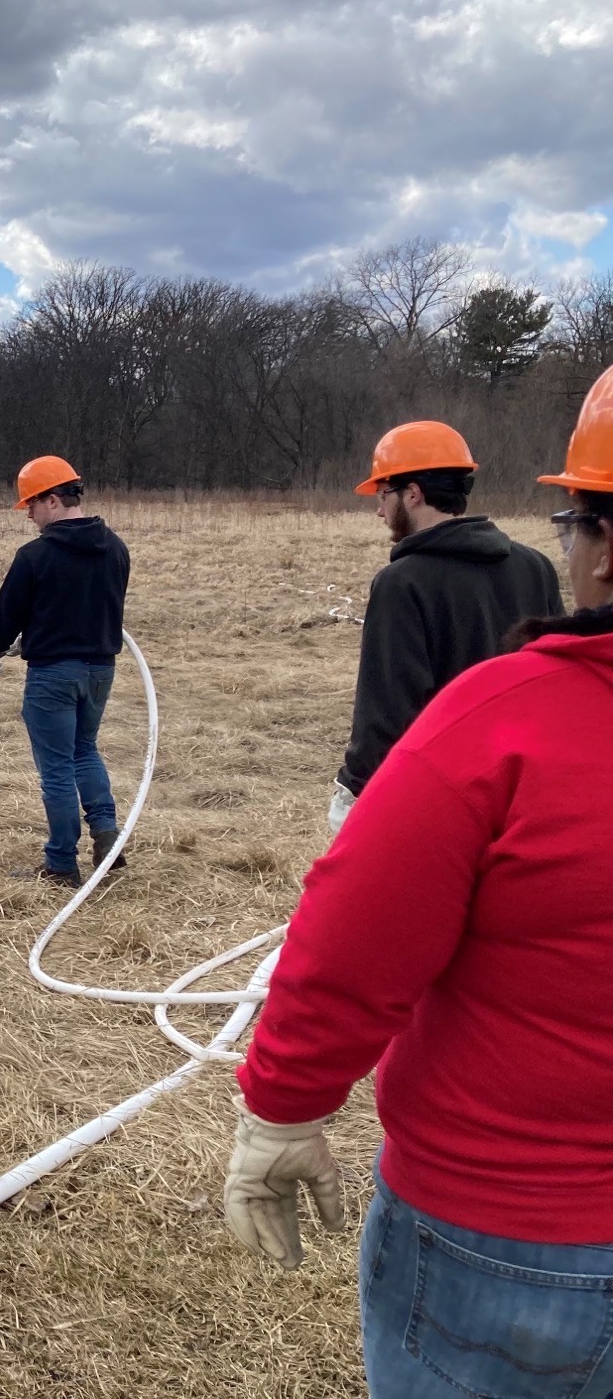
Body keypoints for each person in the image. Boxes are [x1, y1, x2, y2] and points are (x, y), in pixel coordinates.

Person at [224, 368, 613, 1398]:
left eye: (579, 520)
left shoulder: (451, 656)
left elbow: (353, 942)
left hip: (506, 1228)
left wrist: (281, 1110)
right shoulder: (527, 568)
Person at [329, 421, 560, 832]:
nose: (380, 510)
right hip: (524, 800)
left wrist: (355, 791)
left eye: (384, 495)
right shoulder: (535, 567)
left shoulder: (402, 583)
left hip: (440, 805)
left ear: (413, 493)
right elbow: (558, 685)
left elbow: (387, 713)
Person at [0, 457, 130, 884]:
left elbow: (7, 616)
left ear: (54, 500)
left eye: (31, 504)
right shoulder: (116, 547)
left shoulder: (35, 555)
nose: (28, 514)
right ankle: (107, 837)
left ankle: (61, 864)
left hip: (53, 677)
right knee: (85, 750)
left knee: (57, 767)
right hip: (101, 671)